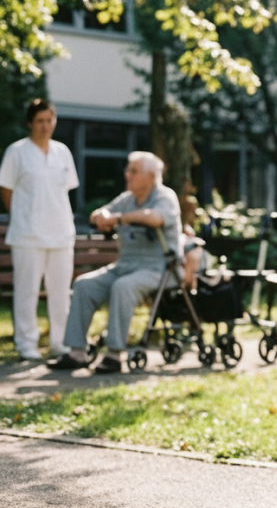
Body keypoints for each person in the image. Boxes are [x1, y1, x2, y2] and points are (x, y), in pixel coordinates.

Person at [48, 152, 182, 374]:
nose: (127, 175)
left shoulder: (165, 197)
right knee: (84, 284)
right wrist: (101, 216)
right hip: (124, 266)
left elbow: (155, 218)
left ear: (151, 176)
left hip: (159, 268)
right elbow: (99, 213)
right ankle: (76, 352)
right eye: (127, 170)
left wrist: (119, 219)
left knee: (123, 287)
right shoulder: (126, 199)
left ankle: (113, 354)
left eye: (133, 171)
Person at [0, 99, 79, 361]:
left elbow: (65, 190)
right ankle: (26, 344)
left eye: (50, 120)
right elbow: (7, 190)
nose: (46, 126)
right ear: (30, 123)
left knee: (60, 294)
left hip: (61, 233)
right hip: (27, 235)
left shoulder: (63, 152)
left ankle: (61, 343)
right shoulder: (16, 152)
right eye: (40, 121)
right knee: (27, 291)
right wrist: (24, 217)